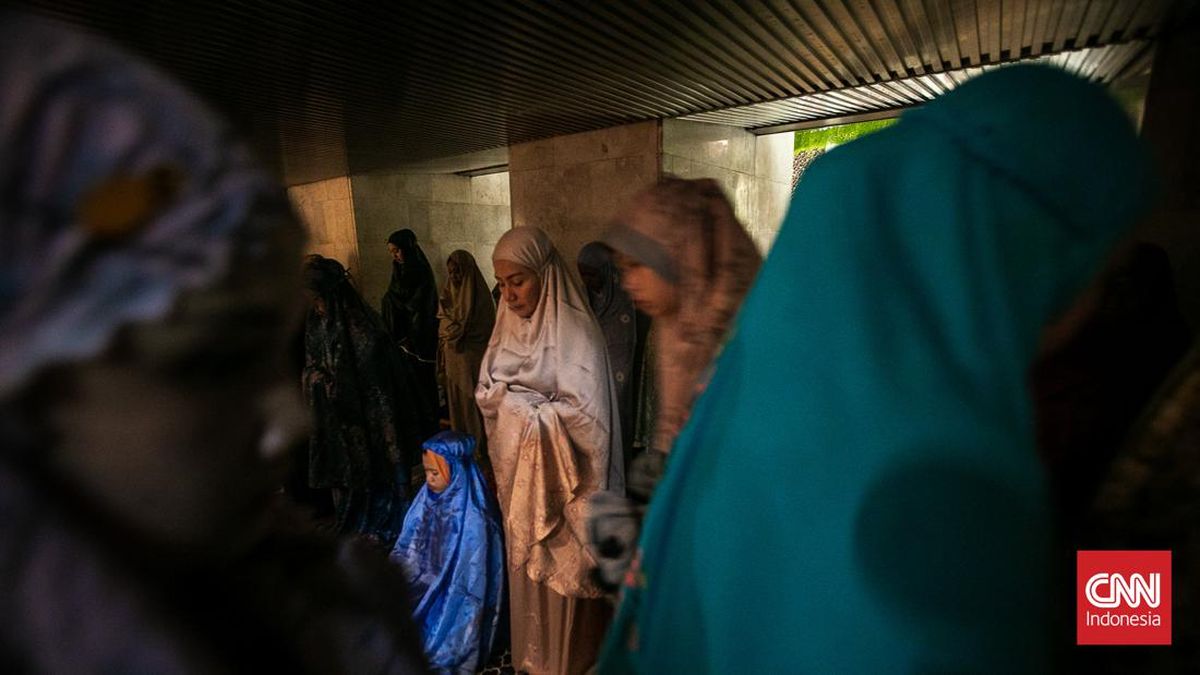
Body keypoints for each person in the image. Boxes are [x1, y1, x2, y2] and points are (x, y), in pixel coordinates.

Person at [599, 65, 1153, 673]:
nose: (1099, 299)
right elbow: (1126, 618)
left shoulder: (754, 381)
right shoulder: (991, 437)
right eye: (1101, 270)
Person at [0, 14, 426, 672]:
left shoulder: (325, 610)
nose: (290, 420)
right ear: (31, 393)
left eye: (272, 346)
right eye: (211, 362)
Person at [476, 226, 625, 675]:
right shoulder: (504, 329)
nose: (510, 293)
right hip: (523, 493)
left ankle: (570, 660)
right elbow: (486, 392)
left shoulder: (577, 335)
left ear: (545, 275)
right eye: (501, 283)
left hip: (568, 499)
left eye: (518, 280)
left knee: (567, 591)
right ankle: (533, 656)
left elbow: (590, 420)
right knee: (529, 586)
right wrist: (514, 405)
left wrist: (521, 408)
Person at [604, 178, 762, 458]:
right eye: (622, 268)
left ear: (682, 257)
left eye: (637, 265)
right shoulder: (677, 329)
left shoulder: (749, 345)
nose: (628, 283)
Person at [303, 255, 433, 545]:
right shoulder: (316, 321)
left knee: (377, 471)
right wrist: (318, 380)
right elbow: (312, 362)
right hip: (337, 414)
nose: (314, 305)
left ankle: (383, 519)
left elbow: (376, 381)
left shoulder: (362, 328)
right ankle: (352, 515)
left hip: (370, 418)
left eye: (316, 298)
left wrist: (340, 384)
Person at [389, 431, 506, 674]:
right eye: (427, 472)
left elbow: (472, 574)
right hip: (422, 579)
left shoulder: (475, 517)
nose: (429, 480)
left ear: (456, 471)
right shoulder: (425, 499)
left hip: (453, 596)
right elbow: (408, 545)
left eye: (435, 473)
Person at [577, 242, 640, 465]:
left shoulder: (621, 305)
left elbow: (623, 354)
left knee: (615, 418)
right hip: (590, 382)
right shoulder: (586, 300)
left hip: (615, 380)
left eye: (592, 275)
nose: (587, 281)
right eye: (582, 275)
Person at [437, 250, 495, 466]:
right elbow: (443, 323)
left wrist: (456, 330)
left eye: (458, 271)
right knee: (457, 404)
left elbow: (482, 329)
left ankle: (479, 450)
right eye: (451, 272)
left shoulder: (481, 300)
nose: (454, 276)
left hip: (473, 360)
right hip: (454, 361)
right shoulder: (447, 296)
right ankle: (461, 445)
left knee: (474, 404)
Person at [382, 228, 439, 401]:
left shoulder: (420, 271)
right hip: (402, 336)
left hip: (418, 334)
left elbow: (418, 304)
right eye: (392, 252)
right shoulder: (398, 271)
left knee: (422, 380)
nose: (395, 256)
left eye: (397, 251)